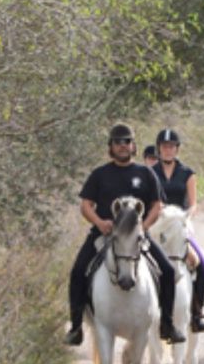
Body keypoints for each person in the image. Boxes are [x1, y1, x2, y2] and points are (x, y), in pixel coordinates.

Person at [65, 123, 186, 346]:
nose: (123, 146)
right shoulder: (100, 174)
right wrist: (99, 222)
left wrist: (143, 227)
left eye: (127, 141)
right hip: (104, 235)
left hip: (137, 236)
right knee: (78, 271)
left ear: (134, 146)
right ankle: (76, 327)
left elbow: (157, 205)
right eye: (118, 142)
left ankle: (167, 325)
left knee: (168, 271)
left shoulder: (145, 173)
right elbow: (86, 205)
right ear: (111, 146)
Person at [153, 128, 204, 332]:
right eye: (164, 147)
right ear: (159, 148)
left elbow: (194, 203)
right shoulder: (150, 172)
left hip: (181, 224)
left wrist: (187, 214)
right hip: (157, 225)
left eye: (171, 147)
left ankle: (197, 312)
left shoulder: (187, 173)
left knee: (203, 264)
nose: (168, 150)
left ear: (177, 149)